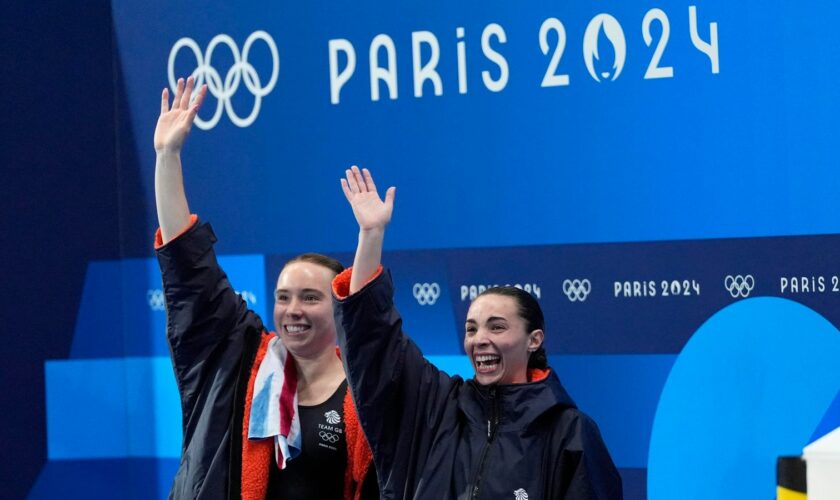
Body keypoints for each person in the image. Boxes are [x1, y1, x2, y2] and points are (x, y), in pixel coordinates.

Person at [333, 166, 623, 499]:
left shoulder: (569, 432)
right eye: (471, 329)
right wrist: (371, 236)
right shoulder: (437, 407)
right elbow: (375, 344)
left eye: (497, 326)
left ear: (534, 340)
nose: (479, 339)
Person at [153, 77, 377, 499]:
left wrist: (371, 237)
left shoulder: (366, 393)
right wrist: (168, 156)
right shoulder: (241, 362)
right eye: (283, 297)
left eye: (311, 298)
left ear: (338, 308)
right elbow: (189, 268)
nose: (293, 310)